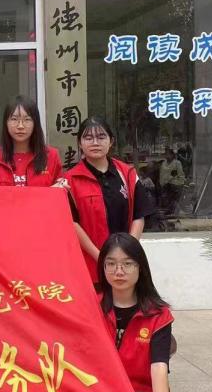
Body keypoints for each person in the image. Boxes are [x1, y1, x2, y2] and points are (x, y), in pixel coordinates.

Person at [59, 233, 174, 392]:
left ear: (140, 268)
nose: (118, 271)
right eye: (110, 264)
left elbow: (159, 365)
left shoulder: (158, 314)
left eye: (127, 264)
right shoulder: (90, 304)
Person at [66, 117, 155, 284]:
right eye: (88, 138)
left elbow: (139, 215)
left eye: (101, 137)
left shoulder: (128, 173)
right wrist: (101, 258)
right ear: (79, 143)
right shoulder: (70, 180)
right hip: (89, 263)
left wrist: (127, 252)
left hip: (127, 261)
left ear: (111, 141)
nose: (95, 143)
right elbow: (72, 223)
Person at [0, 96, 65, 187]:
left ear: (35, 123)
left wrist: (60, 188)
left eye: (27, 119)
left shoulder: (51, 156)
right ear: (6, 123)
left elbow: (60, 192)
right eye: (14, 119)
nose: (20, 126)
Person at [158, 147, 186, 216]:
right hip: (165, 185)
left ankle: (176, 212)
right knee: (167, 199)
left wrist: (178, 183)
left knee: (174, 200)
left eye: (168, 154)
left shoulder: (177, 163)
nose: (167, 155)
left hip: (175, 185)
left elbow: (180, 174)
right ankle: (169, 212)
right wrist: (161, 183)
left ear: (172, 155)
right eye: (166, 154)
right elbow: (161, 174)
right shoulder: (164, 163)